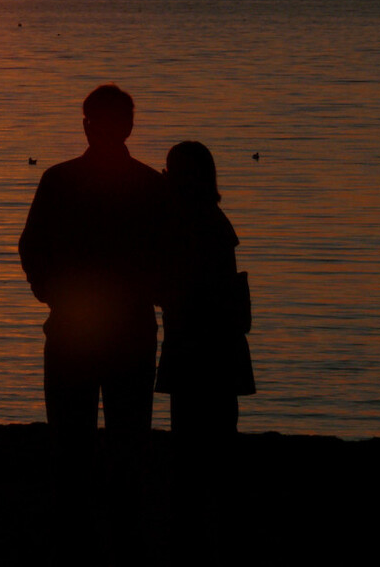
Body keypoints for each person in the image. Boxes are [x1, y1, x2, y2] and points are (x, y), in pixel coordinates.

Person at [18, 84, 167, 554]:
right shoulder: (147, 186)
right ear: (128, 125)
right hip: (120, 329)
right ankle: (117, 535)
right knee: (121, 441)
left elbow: (31, 247)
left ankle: (79, 535)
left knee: (75, 442)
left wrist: (52, 295)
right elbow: (168, 256)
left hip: (82, 329)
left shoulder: (62, 181)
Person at [155, 140, 254, 556]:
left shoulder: (190, 222)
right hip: (216, 347)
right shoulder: (211, 220)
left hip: (197, 346)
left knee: (193, 446)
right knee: (215, 443)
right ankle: (218, 531)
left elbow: (177, 287)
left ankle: (195, 534)